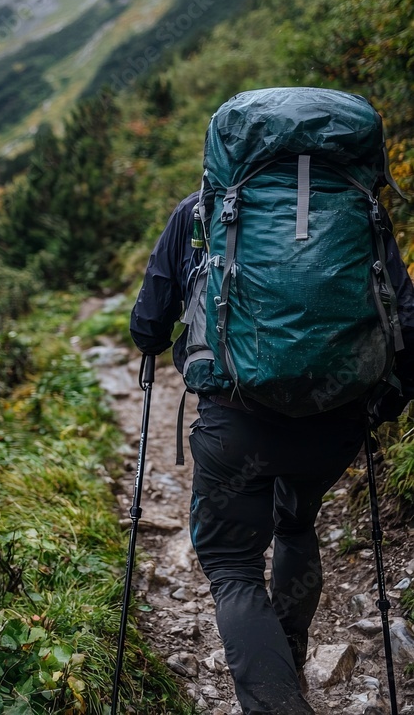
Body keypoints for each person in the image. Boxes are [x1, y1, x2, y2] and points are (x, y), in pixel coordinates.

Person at [130, 188, 414, 715]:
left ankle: (277, 701)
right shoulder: (358, 213)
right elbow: (407, 326)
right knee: (296, 525)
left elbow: (147, 326)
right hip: (332, 425)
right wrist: (379, 408)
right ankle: (287, 657)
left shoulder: (200, 211)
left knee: (233, 566)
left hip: (237, 426)